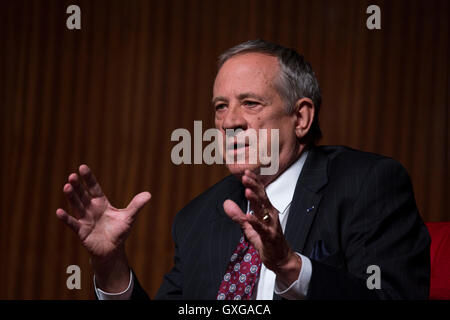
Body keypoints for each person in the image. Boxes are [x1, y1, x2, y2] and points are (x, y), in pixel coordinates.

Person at [56, 39, 430, 300]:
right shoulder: (198, 217)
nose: (228, 121)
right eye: (220, 106)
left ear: (300, 118)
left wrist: (291, 267)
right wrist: (110, 266)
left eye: (249, 103)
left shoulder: (369, 185)